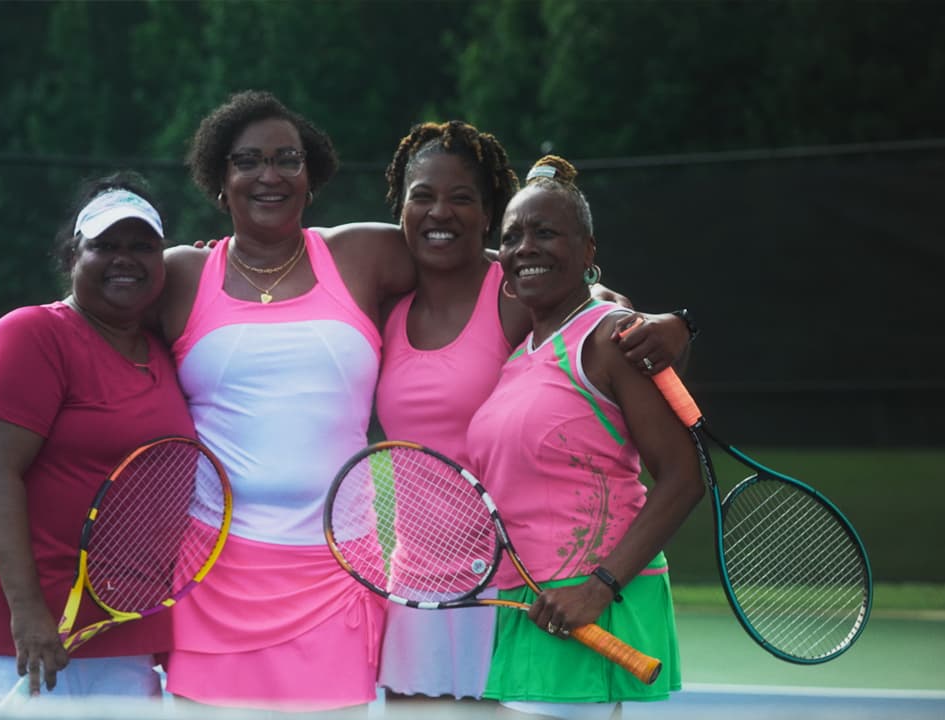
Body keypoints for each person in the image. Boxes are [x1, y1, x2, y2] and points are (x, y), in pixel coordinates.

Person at [374, 123, 693, 703]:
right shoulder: (384, 304)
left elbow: (597, 313)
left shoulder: (516, 293)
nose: (439, 211)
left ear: (486, 213)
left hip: (508, 583)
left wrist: (671, 323)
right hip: (419, 588)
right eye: (422, 195)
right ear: (401, 207)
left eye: (463, 197)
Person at [151, 90, 415, 712]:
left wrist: (598, 297)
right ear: (220, 180)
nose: (269, 175)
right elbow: (80, 327)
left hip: (338, 576)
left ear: (311, 175)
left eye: (287, 159)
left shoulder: (361, 254)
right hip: (210, 577)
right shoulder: (181, 275)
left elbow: (487, 267)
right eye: (247, 161)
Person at [0, 172, 193, 705]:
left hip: (121, 624)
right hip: (19, 632)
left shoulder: (164, 350)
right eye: (106, 245)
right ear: (73, 255)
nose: (125, 258)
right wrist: (28, 615)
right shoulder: (29, 335)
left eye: (143, 246)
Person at [464, 155, 705, 719]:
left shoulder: (604, 338)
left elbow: (682, 479)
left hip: (591, 601)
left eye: (545, 232)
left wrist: (598, 588)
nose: (525, 247)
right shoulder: (521, 355)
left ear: (588, 251)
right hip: (533, 602)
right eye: (513, 236)